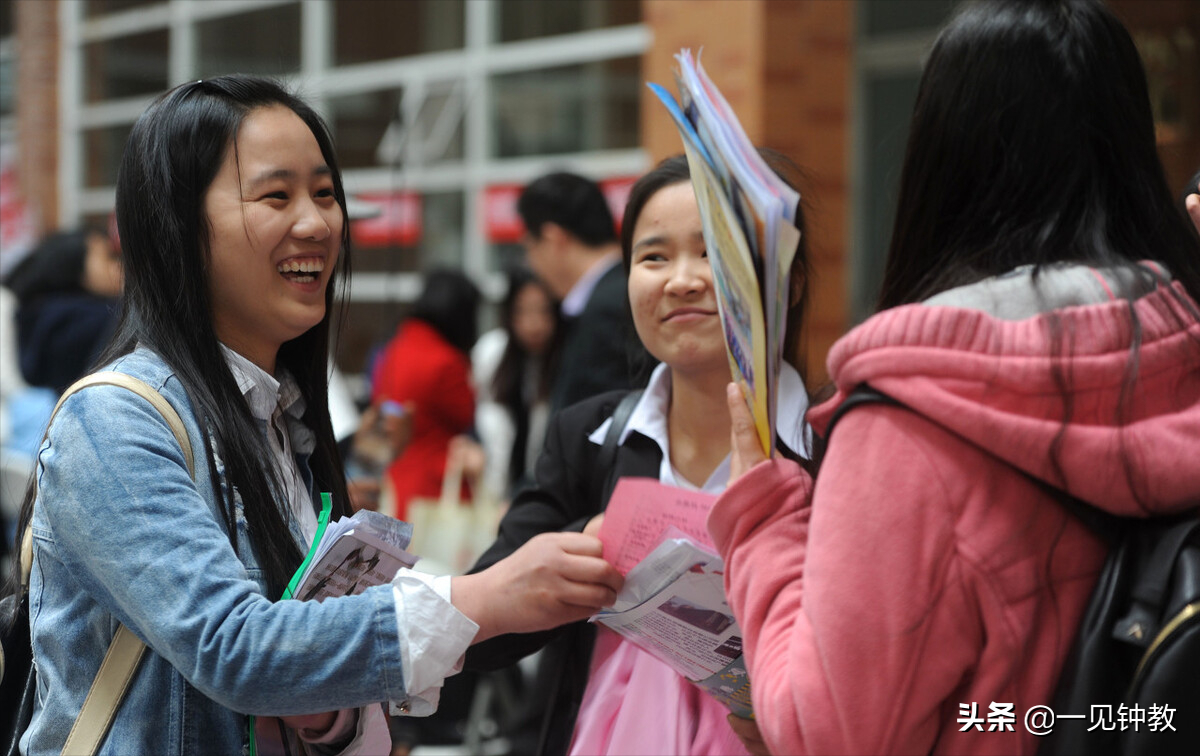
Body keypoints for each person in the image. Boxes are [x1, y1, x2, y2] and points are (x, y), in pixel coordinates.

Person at [6, 75, 623, 756]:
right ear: (177, 226)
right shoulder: (116, 421)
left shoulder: (279, 418)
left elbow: (291, 669)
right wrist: (487, 596)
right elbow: (234, 650)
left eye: (326, 194)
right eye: (277, 195)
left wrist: (329, 716)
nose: (318, 222)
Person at [709, 1, 1200, 754]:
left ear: (942, 157)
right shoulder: (1182, 352)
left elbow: (828, 734)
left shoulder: (915, 417)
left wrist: (762, 522)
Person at [466, 152, 814, 756]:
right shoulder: (589, 439)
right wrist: (583, 548)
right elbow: (480, 632)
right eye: (653, 256)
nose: (682, 279)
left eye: (714, 252)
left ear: (789, 278)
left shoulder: (838, 454)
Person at [517, 171, 649, 412]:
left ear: (553, 238)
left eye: (529, 248)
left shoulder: (608, 308)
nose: (530, 263)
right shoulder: (620, 289)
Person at [370, 269, 480, 521]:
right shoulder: (446, 361)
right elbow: (465, 414)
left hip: (395, 480)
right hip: (436, 489)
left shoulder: (394, 348)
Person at [471, 266, 563, 499]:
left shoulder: (564, 361)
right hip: (493, 493)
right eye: (523, 312)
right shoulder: (490, 354)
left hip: (542, 494)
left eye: (543, 312)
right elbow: (476, 414)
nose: (534, 324)